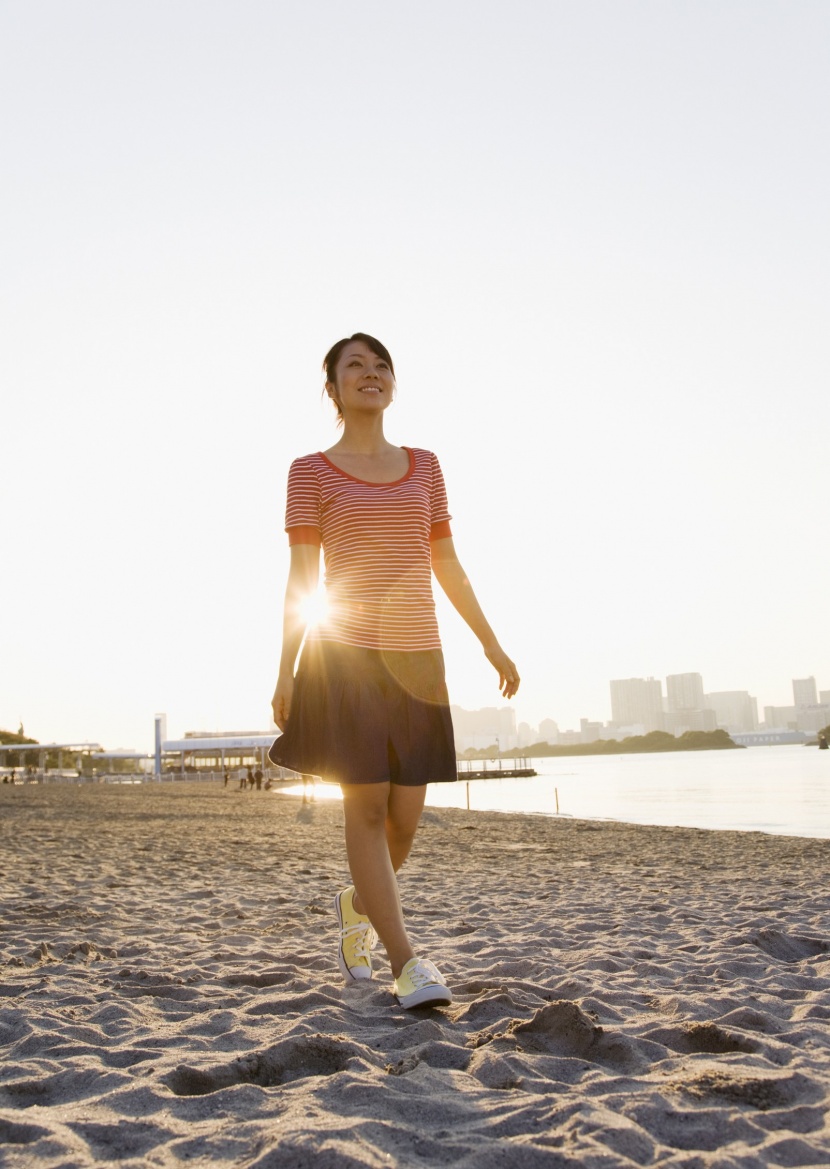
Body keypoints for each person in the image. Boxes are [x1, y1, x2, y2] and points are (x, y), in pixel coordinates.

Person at [269, 333, 519, 1010]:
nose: (371, 374)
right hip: (343, 656)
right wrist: (286, 669)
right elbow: (302, 578)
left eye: (382, 365)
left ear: (392, 384)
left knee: (404, 818)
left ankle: (359, 904)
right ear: (333, 389)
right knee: (367, 803)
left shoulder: (425, 466)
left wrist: (491, 644)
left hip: (418, 659)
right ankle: (407, 960)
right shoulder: (309, 472)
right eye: (356, 366)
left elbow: (448, 563)